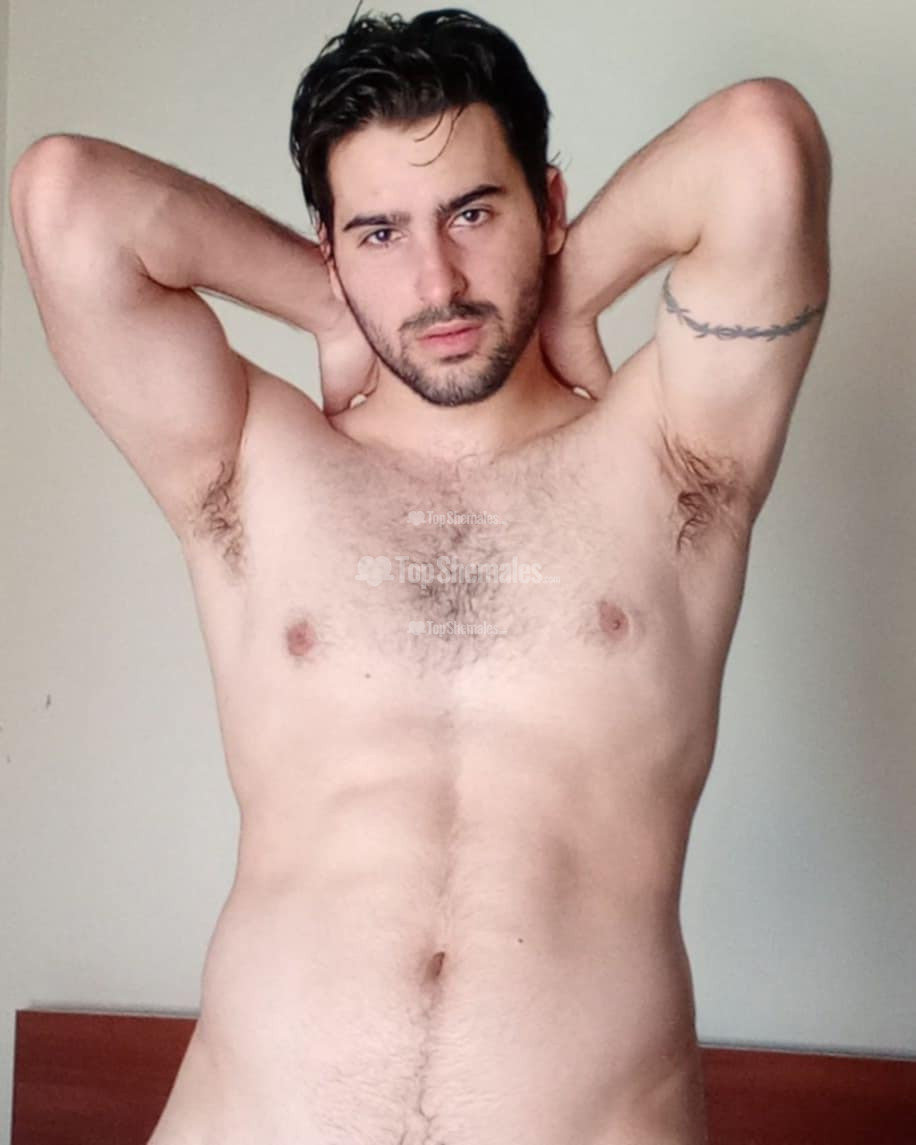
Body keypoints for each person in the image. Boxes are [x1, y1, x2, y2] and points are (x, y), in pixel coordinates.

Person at [8, 5, 831, 1143]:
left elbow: (762, 146)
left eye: (472, 212)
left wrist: (575, 291)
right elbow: (65, 199)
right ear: (330, 244)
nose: (436, 281)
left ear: (549, 206)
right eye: (379, 232)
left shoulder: (673, 456)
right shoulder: (253, 461)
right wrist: (322, 301)